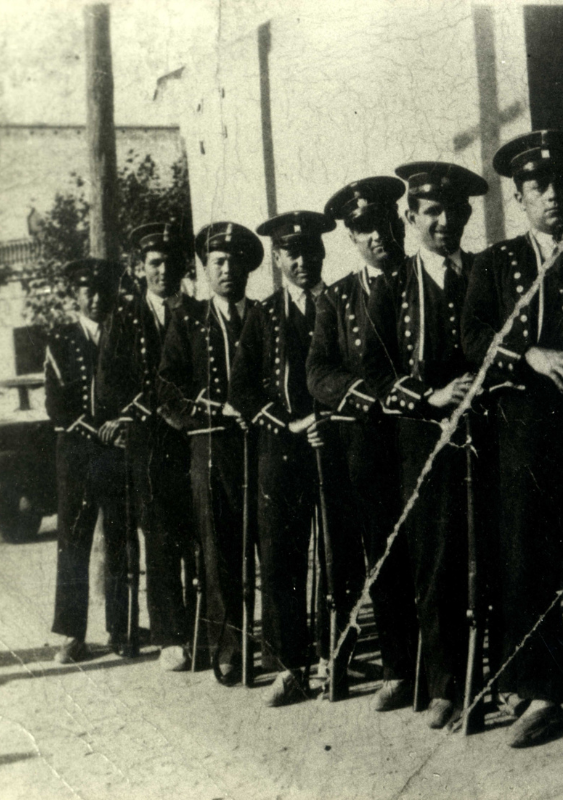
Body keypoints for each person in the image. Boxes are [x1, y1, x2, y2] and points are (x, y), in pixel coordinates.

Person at [463, 130, 563, 747]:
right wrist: (528, 354)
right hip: (528, 433)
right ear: (520, 195)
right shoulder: (496, 263)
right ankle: (542, 691)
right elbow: (473, 336)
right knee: (528, 556)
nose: (553, 196)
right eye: (538, 186)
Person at [381, 160, 488, 731]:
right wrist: (429, 397)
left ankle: (501, 677)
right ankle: (447, 684)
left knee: (492, 553)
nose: (445, 222)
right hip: (423, 440)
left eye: (455, 212)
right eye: (432, 213)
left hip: (486, 431)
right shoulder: (395, 283)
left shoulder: (485, 271)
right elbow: (375, 367)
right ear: (411, 217)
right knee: (438, 557)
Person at [306, 176, 420, 713]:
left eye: (384, 223)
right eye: (364, 229)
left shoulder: (423, 279)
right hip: (370, 444)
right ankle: (400, 666)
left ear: (400, 223)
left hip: (424, 434)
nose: (378, 236)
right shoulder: (338, 297)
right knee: (385, 552)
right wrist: (356, 394)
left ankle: (451, 664)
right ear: (352, 237)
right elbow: (317, 369)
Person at [232, 210, 344, 706]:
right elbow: (242, 389)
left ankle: (334, 653)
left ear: (322, 253)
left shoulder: (342, 301)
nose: (302, 261)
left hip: (336, 444)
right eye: (291, 253)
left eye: (310, 251)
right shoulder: (263, 314)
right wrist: (293, 423)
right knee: (281, 558)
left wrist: (330, 421)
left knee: (340, 553)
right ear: (276, 260)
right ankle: (291, 665)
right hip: (281, 449)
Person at [156, 222, 263, 686]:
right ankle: (229, 647)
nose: (227, 270)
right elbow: (166, 386)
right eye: (218, 262)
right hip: (211, 444)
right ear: (204, 268)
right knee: (218, 549)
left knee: (270, 543)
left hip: (261, 442)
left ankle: (281, 647)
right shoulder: (189, 320)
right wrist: (207, 409)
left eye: (235, 261)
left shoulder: (264, 315)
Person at [97, 223, 204, 671]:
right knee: (159, 537)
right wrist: (153, 410)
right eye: (153, 264)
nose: (162, 271)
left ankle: (205, 625)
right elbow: (108, 388)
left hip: (195, 438)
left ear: (181, 267)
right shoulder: (122, 320)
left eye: (169, 263)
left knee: (200, 533)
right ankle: (169, 635)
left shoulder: (199, 313)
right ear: (141, 269)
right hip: (150, 444)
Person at [47, 258, 133, 664]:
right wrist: (97, 429)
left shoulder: (126, 334)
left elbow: (137, 385)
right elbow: (57, 406)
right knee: (73, 542)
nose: (97, 299)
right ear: (75, 295)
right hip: (78, 456)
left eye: (103, 291)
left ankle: (122, 629)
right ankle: (70, 635)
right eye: (88, 291)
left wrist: (120, 425)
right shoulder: (60, 340)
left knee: (120, 539)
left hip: (117, 452)